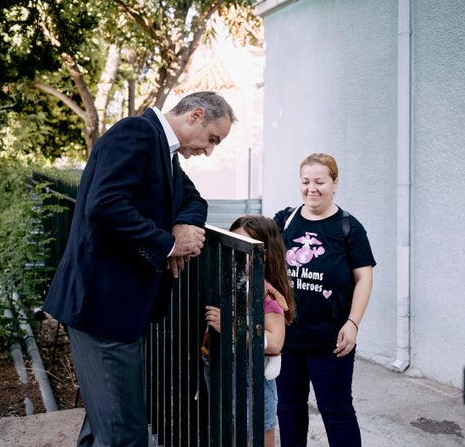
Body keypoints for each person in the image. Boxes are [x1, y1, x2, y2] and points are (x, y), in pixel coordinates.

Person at [42, 91, 236, 447]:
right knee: (124, 435)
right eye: (212, 139)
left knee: (105, 428)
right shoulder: (137, 133)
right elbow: (105, 204)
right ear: (195, 115)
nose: (209, 151)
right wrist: (169, 244)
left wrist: (183, 227)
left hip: (117, 310)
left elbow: (194, 200)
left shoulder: (166, 152)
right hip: (102, 308)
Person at [272, 153, 376, 447]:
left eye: (319, 181)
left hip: (332, 341)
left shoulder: (348, 227)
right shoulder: (285, 221)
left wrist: (353, 323)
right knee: (289, 409)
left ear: (335, 183)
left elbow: (364, 278)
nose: (311, 188)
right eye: (305, 182)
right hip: (288, 338)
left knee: (337, 412)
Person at [202, 215, 295, 447]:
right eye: (231, 245)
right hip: (220, 369)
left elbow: (275, 341)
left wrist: (233, 326)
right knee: (230, 433)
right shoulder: (229, 281)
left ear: (263, 255)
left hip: (251, 375)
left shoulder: (266, 295)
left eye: (243, 248)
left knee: (258, 436)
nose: (235, 254)